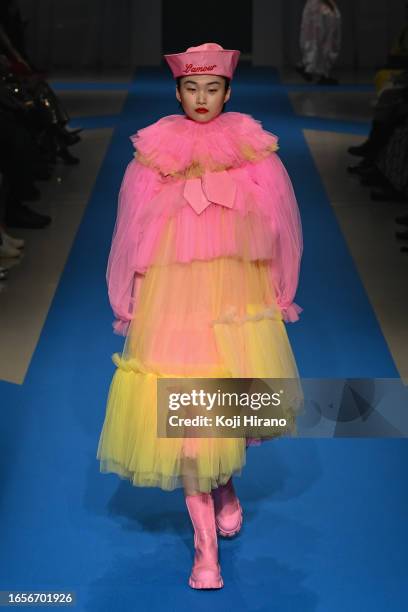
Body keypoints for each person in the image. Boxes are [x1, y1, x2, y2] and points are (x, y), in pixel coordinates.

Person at [96, 43, 304, 590]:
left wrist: (279, 291)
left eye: (213, 89)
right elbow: (131, 229)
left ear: (228, 92)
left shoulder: (253, 149)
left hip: (233, 294)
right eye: (192, 88)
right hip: (173, 296)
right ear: (178, 91)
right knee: (187, 414)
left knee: (224, 399)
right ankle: (204, 549)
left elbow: (280, 225)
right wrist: (132, 299)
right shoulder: (155, 151)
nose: (203, 98)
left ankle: (226, 484)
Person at [297, 0, 342, 85]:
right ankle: (317, 72)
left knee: (318, 40)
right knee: (322, 40)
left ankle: (309, 68)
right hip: (322, 8)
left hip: (320, 7)